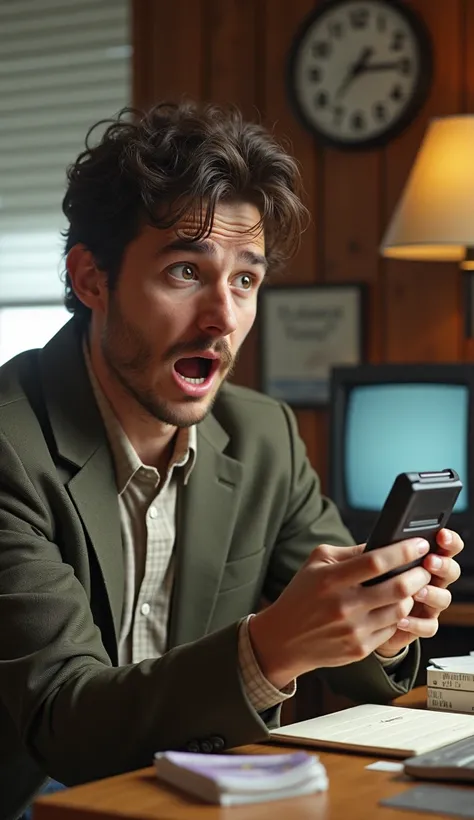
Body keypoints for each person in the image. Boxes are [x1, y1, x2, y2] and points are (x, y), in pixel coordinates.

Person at [0, 101, 462, 820]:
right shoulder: (9, 447)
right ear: (91, 279)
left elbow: (362, 660)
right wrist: (271, 646)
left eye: (245, 280)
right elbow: (66, 723)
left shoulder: (263, 436)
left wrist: (386, 619)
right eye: (186, 270)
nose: (223, 316)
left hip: (193, 795)